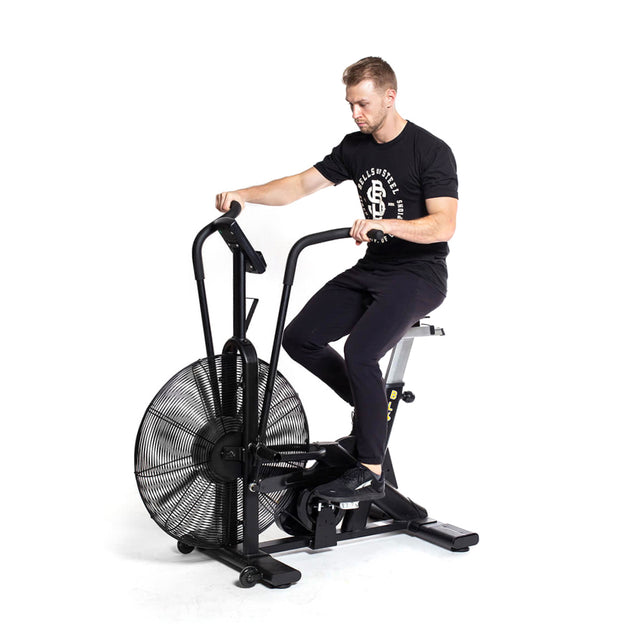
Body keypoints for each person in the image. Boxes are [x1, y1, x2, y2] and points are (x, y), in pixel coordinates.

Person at [215, 56, 458, 503]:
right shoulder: (355, 147)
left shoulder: (430, 150)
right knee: (300, 337)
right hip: (373, 269)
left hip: (419, 273)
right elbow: (300, 186)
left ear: (390, 96)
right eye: (350, 105)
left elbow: (443, 225)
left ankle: (369, 469)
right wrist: (244, 196)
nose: (355, 114)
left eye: (363, 104)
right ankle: (370, 415)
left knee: (360, 352)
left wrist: (388, 225)